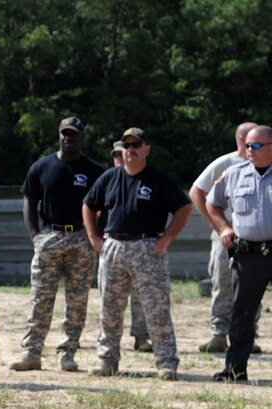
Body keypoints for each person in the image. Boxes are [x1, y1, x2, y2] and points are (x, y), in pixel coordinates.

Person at [83, 127, 192, 380]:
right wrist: (94, 238)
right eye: (126, 145)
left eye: (135, 145)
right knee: (110, 307)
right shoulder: (110, 177)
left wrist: (165, 239)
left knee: (156, 308)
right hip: (113, 247)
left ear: (146, 149)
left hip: (147, 248)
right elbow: (88, 205)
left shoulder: (158, 179)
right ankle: (107, 360)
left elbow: (184, 208)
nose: (130, 150)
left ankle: (166, 361)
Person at [9, 116, 104, 372]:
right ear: (59, 135)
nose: (68, 138)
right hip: (49, 236)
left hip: (80, 239)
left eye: (73, 134)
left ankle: (67, 352)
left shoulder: (94, 170)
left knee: (77, 300)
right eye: (64, 133)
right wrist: (35, 236)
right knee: (40, 298)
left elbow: (104, 206)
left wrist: (94, 236)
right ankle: (32, 353)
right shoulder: (42, 167)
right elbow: (29, 201)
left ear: (81, 137)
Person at [189, 122, 262, 354]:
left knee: (253, 287)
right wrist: (218, 227)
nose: (253, 145)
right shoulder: (226, 163)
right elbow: (197, 192)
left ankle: (248, 334)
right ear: (242, 139)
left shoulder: (265, 165)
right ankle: (219, 334)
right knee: (222, 282)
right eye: (250, 140)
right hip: (227, 235)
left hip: (257, 239)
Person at [206, 125, 272, 381]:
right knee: (242, 314)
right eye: (247, 146)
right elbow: (212, 203)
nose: (249, 150)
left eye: (256, 146)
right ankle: (235, 369)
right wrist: (223, 227)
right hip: (249, 254)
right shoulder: (234, 174)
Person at [112, 140, 153, 353]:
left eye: (123, 154)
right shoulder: (109, 179)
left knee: (140, 295)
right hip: (112, 247)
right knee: (111, 299)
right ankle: (110, 343)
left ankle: (141, 336)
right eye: (116, 155)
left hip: (140, 246)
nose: (120, 158)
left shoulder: (145, 179)